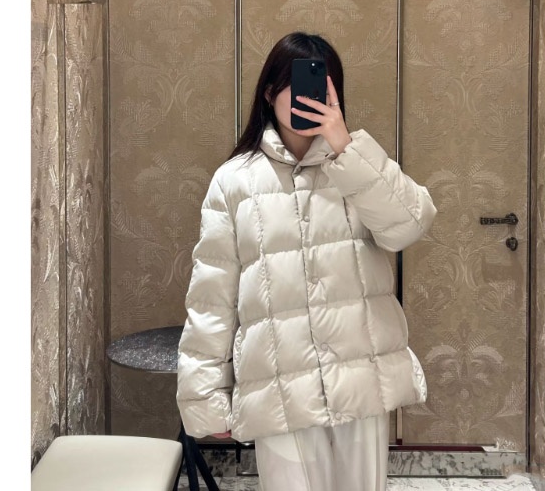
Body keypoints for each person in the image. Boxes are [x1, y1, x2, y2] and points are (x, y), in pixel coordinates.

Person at [176, 31, 436, 491]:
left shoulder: (356, 166)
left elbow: (408, 226)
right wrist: (206, 399)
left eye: (322, 87)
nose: (310, 98)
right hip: (278, 388)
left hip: (360, 377)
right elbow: (211, 298)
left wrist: (344, 145)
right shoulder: (233, 181)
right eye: (296, 87)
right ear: (269, 93)